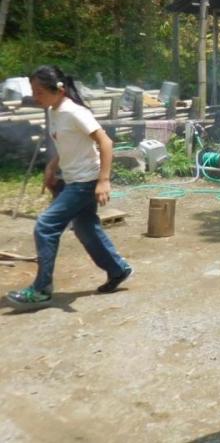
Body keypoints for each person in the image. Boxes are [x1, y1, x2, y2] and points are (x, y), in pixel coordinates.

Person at [6, 66, 132, 309]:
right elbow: (66, 146)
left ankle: (41, 289)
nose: (35, 96)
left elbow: (105, 143)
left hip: (86, 182)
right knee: (86, 228)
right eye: (33, 91)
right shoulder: (54, 110)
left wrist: (104, 181)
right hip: (73, 179)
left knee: (46, 225)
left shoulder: (75, 112)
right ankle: (118, 270)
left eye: (39, 91)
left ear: (59, 89)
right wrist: (52, 167)